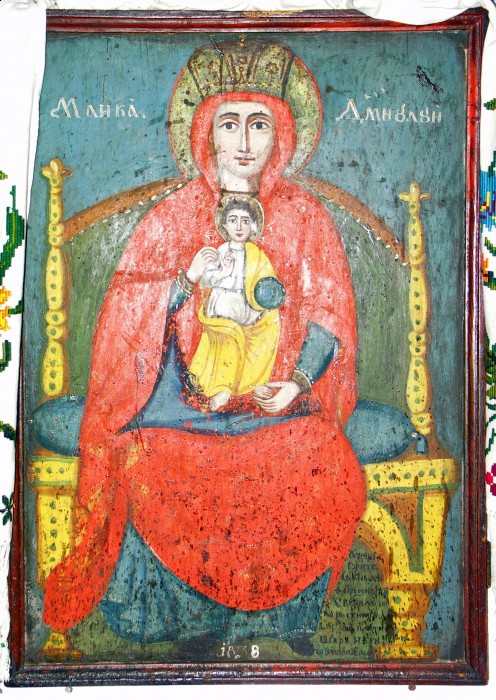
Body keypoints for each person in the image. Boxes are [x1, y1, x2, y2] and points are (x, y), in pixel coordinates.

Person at [43, 38, 367, 654]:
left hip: (274, 406)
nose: (244, 141)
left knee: (320, 456)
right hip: (182, 406)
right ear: (205, 134)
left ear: (282, 135)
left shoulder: (307, 219)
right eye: (229, 123)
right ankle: (176, 624)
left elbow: (329, 317)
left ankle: (273, 626)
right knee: (146, 460)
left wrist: (297, 383)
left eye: (259, 123)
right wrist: (184, 283)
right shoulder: (170, 217)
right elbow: (127, 316)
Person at [189, 196, 285, 411]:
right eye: (233, 220)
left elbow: (268, 283)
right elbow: (206, 279)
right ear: (225, 225)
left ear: (253, 226)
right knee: (229, 340)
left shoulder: (257, 255)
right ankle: (224, 388)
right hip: (222, 308)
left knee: (262, 330)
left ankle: (244, 384)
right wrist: (223, 272)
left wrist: (268, 297)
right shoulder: (221, 251)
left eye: (245, 221)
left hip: (247, 308)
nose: (239, 227)